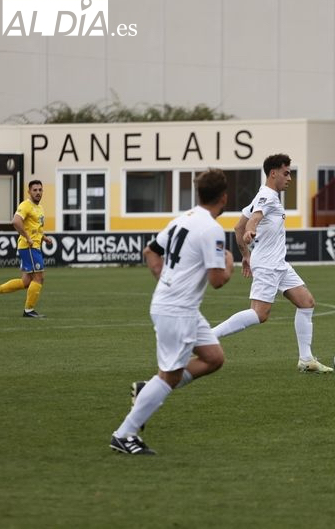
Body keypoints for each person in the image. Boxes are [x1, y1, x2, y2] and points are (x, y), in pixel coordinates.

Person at [110, 168, 234, 455]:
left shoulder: (185, 218)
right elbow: (217, 280)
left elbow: (151, 251)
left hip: (179, 306)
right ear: (224, 197)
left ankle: (148, 390)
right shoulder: (212, 229)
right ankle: (124, 434)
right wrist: (229, 262)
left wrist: (164, 279)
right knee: (170, 376)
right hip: (177, 310)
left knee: (213, 358)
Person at [211, 153, 333, 373]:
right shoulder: (268, 196)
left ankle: (306, 360)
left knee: (306, 302)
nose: (289, 178)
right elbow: (253, 221)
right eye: (286, 173)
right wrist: (251, 232)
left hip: (279, 264)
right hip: (268, 264)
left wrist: (246, 255)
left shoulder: (263, 195)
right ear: (273, 173)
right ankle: (207, 338)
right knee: (259, 314)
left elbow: (239, 227)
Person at [0, 180, 52, 318]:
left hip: (33, 246)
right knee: (39, 278)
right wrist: (27, 237)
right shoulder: (26, 205)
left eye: (40, 190)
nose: (38, 192)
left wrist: (44, 238)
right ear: (29, 191)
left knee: (26, 281)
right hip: (29, 247)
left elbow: (35, 228)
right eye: (35, 190)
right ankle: (28, 310)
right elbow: (15, 221)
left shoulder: (40, 208)